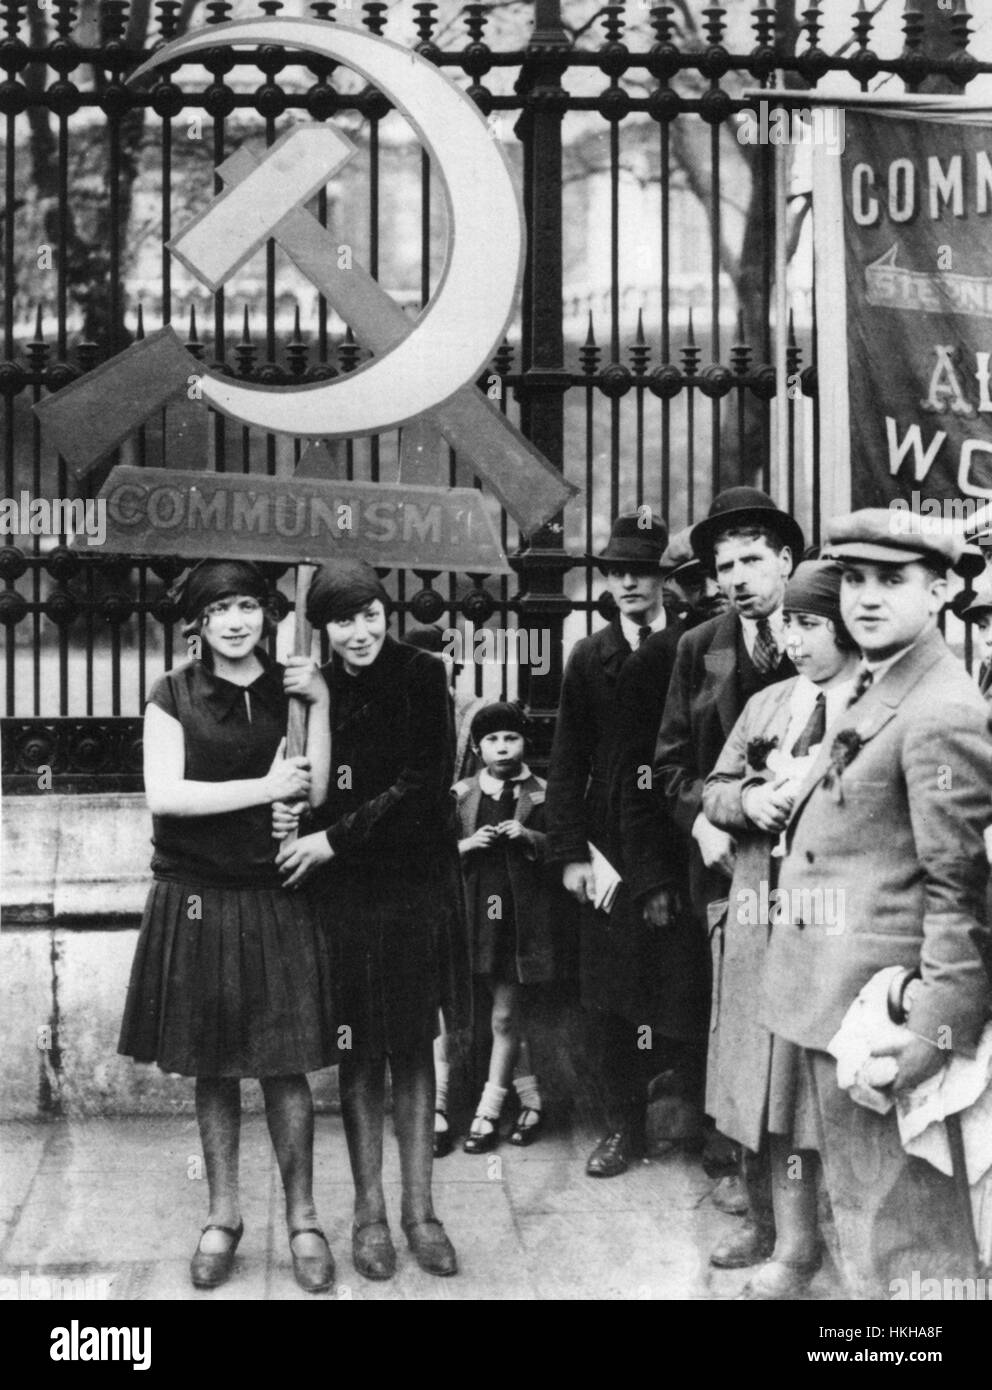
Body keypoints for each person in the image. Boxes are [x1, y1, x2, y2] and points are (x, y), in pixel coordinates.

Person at [764, 511, 992, 1300]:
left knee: (908, 1246)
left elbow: (958, 884)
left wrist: (933, 1028)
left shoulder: (941, 708)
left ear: (939, 590)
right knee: (861, 1223)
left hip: (883, 1011)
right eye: (854, 578)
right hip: (836, 995)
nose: (864, 598)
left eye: (891, 581)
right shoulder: (880, 678)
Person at [118, 559, 338, 1294]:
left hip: (274, 892)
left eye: (249, 606)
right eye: (221, 610)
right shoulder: (171, 694)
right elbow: (167, 797)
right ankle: (222, 1216)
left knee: (285, 1063)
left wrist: (319, 714)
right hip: (198, 894)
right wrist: (264, 789)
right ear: (199, 625)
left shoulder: (292, 686)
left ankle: (304, 1217)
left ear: (267, 616)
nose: (238, 621)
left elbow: (314, 782)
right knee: (213, 1064)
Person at [274, 560, 469, 1281]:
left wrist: (331, 838)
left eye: (370, 615)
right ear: (320, 625)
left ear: (387, 613)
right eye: (342, 619)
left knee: (413, 1046)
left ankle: (422, 1213)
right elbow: (307, 785)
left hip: (412, 883)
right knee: (359, 1054)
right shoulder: (312, 685)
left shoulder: (421, 675)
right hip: (347, 896)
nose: (359, 632)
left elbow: (424, 784)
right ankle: (370, 1215)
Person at [701, 560, 860, 1297]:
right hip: (757, 914)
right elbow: (713, 787)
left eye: (809, 624)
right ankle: (763, 1222)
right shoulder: (768, 705)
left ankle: (801, 1247)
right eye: (788, 624)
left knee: (801, 1091)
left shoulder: (873, 705)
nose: (793, 640)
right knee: (751, 1082)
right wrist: (749, 802)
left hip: (828, 926)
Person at [653, 487, 802, 1236]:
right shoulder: (699, 646)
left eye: (751, 561)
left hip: (813, 872)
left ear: (785, 560)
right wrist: (699, 825)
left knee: (804, 1031)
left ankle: (809, 1194)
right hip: (725, 867)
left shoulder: (823, 635)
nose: (737, 578)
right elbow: (670, 764)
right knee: (739, 1030)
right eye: (723, 565)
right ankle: (753, 1198)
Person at [545, 511, 671, 1177]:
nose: (628, 583)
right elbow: (567, 757)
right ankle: (625, 1126)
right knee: (612, 989)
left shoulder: (692, 643)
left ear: (662, 576)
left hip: (674, 829)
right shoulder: (589, 655)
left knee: (681, 978)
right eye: (618, 571)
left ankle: (696, 1120)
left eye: (641, 571)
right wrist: (568, 852)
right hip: (608, 839)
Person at [454, 702, 555, 1153]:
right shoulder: (460, 794)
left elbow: (566, 851)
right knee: (468, 1017)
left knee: (505, 1016)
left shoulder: (543, 794)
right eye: (492, 740)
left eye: (511, 738)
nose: (502, 748)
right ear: (477, 747)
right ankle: (532, 1101)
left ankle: (487, 1112)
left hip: (519, 923)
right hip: (473, 917)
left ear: (524, 743)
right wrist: (467, 844)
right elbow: (431, 855)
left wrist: (530, 838)